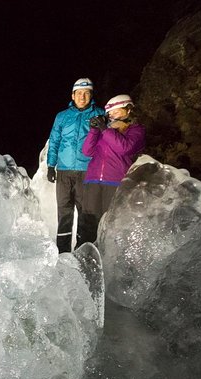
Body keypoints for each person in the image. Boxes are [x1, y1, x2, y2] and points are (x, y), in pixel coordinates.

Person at [46, 78, 105, 253]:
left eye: (86, 93)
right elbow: (55, 141)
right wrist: (51, 165)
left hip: (87, 171)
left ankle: (83, 253)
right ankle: (63, 252)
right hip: (64, 171)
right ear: (73, 95)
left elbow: (107, 142)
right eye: (79, 93)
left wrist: (104, 128)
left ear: (91, 95)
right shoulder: (62, 116)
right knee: (64, 212)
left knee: (85, 214)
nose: (82, 97)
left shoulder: (100, 114)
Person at [80, 94, 146, 243]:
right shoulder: (106, 131)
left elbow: (124, 148)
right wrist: (94, 131)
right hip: (93, 180)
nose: (111, 116)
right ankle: (84, 259)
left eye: (115, 112)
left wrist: (105, 130)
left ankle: (106, 261)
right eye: (109, 114)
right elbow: (87, 151)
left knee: (110, 226)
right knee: (88, 225)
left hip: (115, 182)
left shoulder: (136, 130)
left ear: (128, 110)